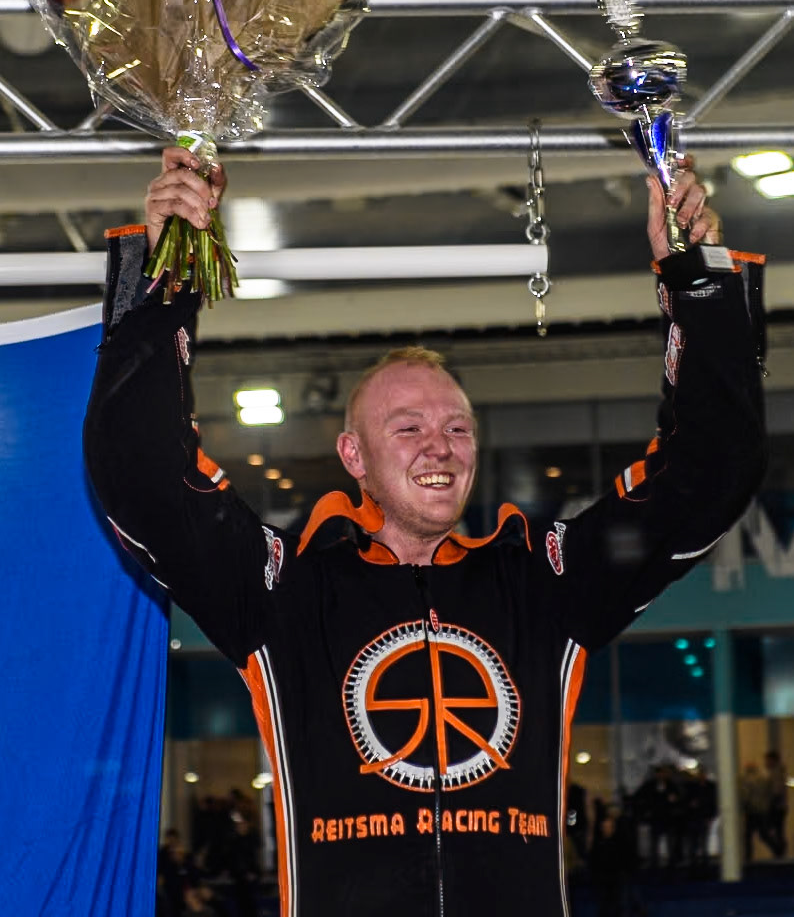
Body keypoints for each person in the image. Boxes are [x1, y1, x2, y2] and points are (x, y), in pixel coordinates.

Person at [84, 147, 766, 917]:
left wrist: (699, 284)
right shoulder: (282, 592)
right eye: (406, 428)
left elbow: (708, 476)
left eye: (457, 428)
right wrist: (167, 272)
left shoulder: (544, 587)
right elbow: (142, 477)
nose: (439, 447)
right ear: (355, 457)